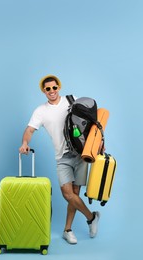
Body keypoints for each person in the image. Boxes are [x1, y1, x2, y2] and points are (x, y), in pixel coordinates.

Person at [19, 75, 100, 244]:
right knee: (68, 194)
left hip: (81, 154)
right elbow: (29, 130)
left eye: (54, 87)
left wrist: (98, 142)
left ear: (59, 87)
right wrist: (25, 143)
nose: (52, 91)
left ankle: (67, 230)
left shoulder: (72, 100)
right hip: (62, 157)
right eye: (48, 89)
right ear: (43, 91)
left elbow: (92, 122)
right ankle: (92, 217)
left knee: (76, 194)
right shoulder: (40, 111)